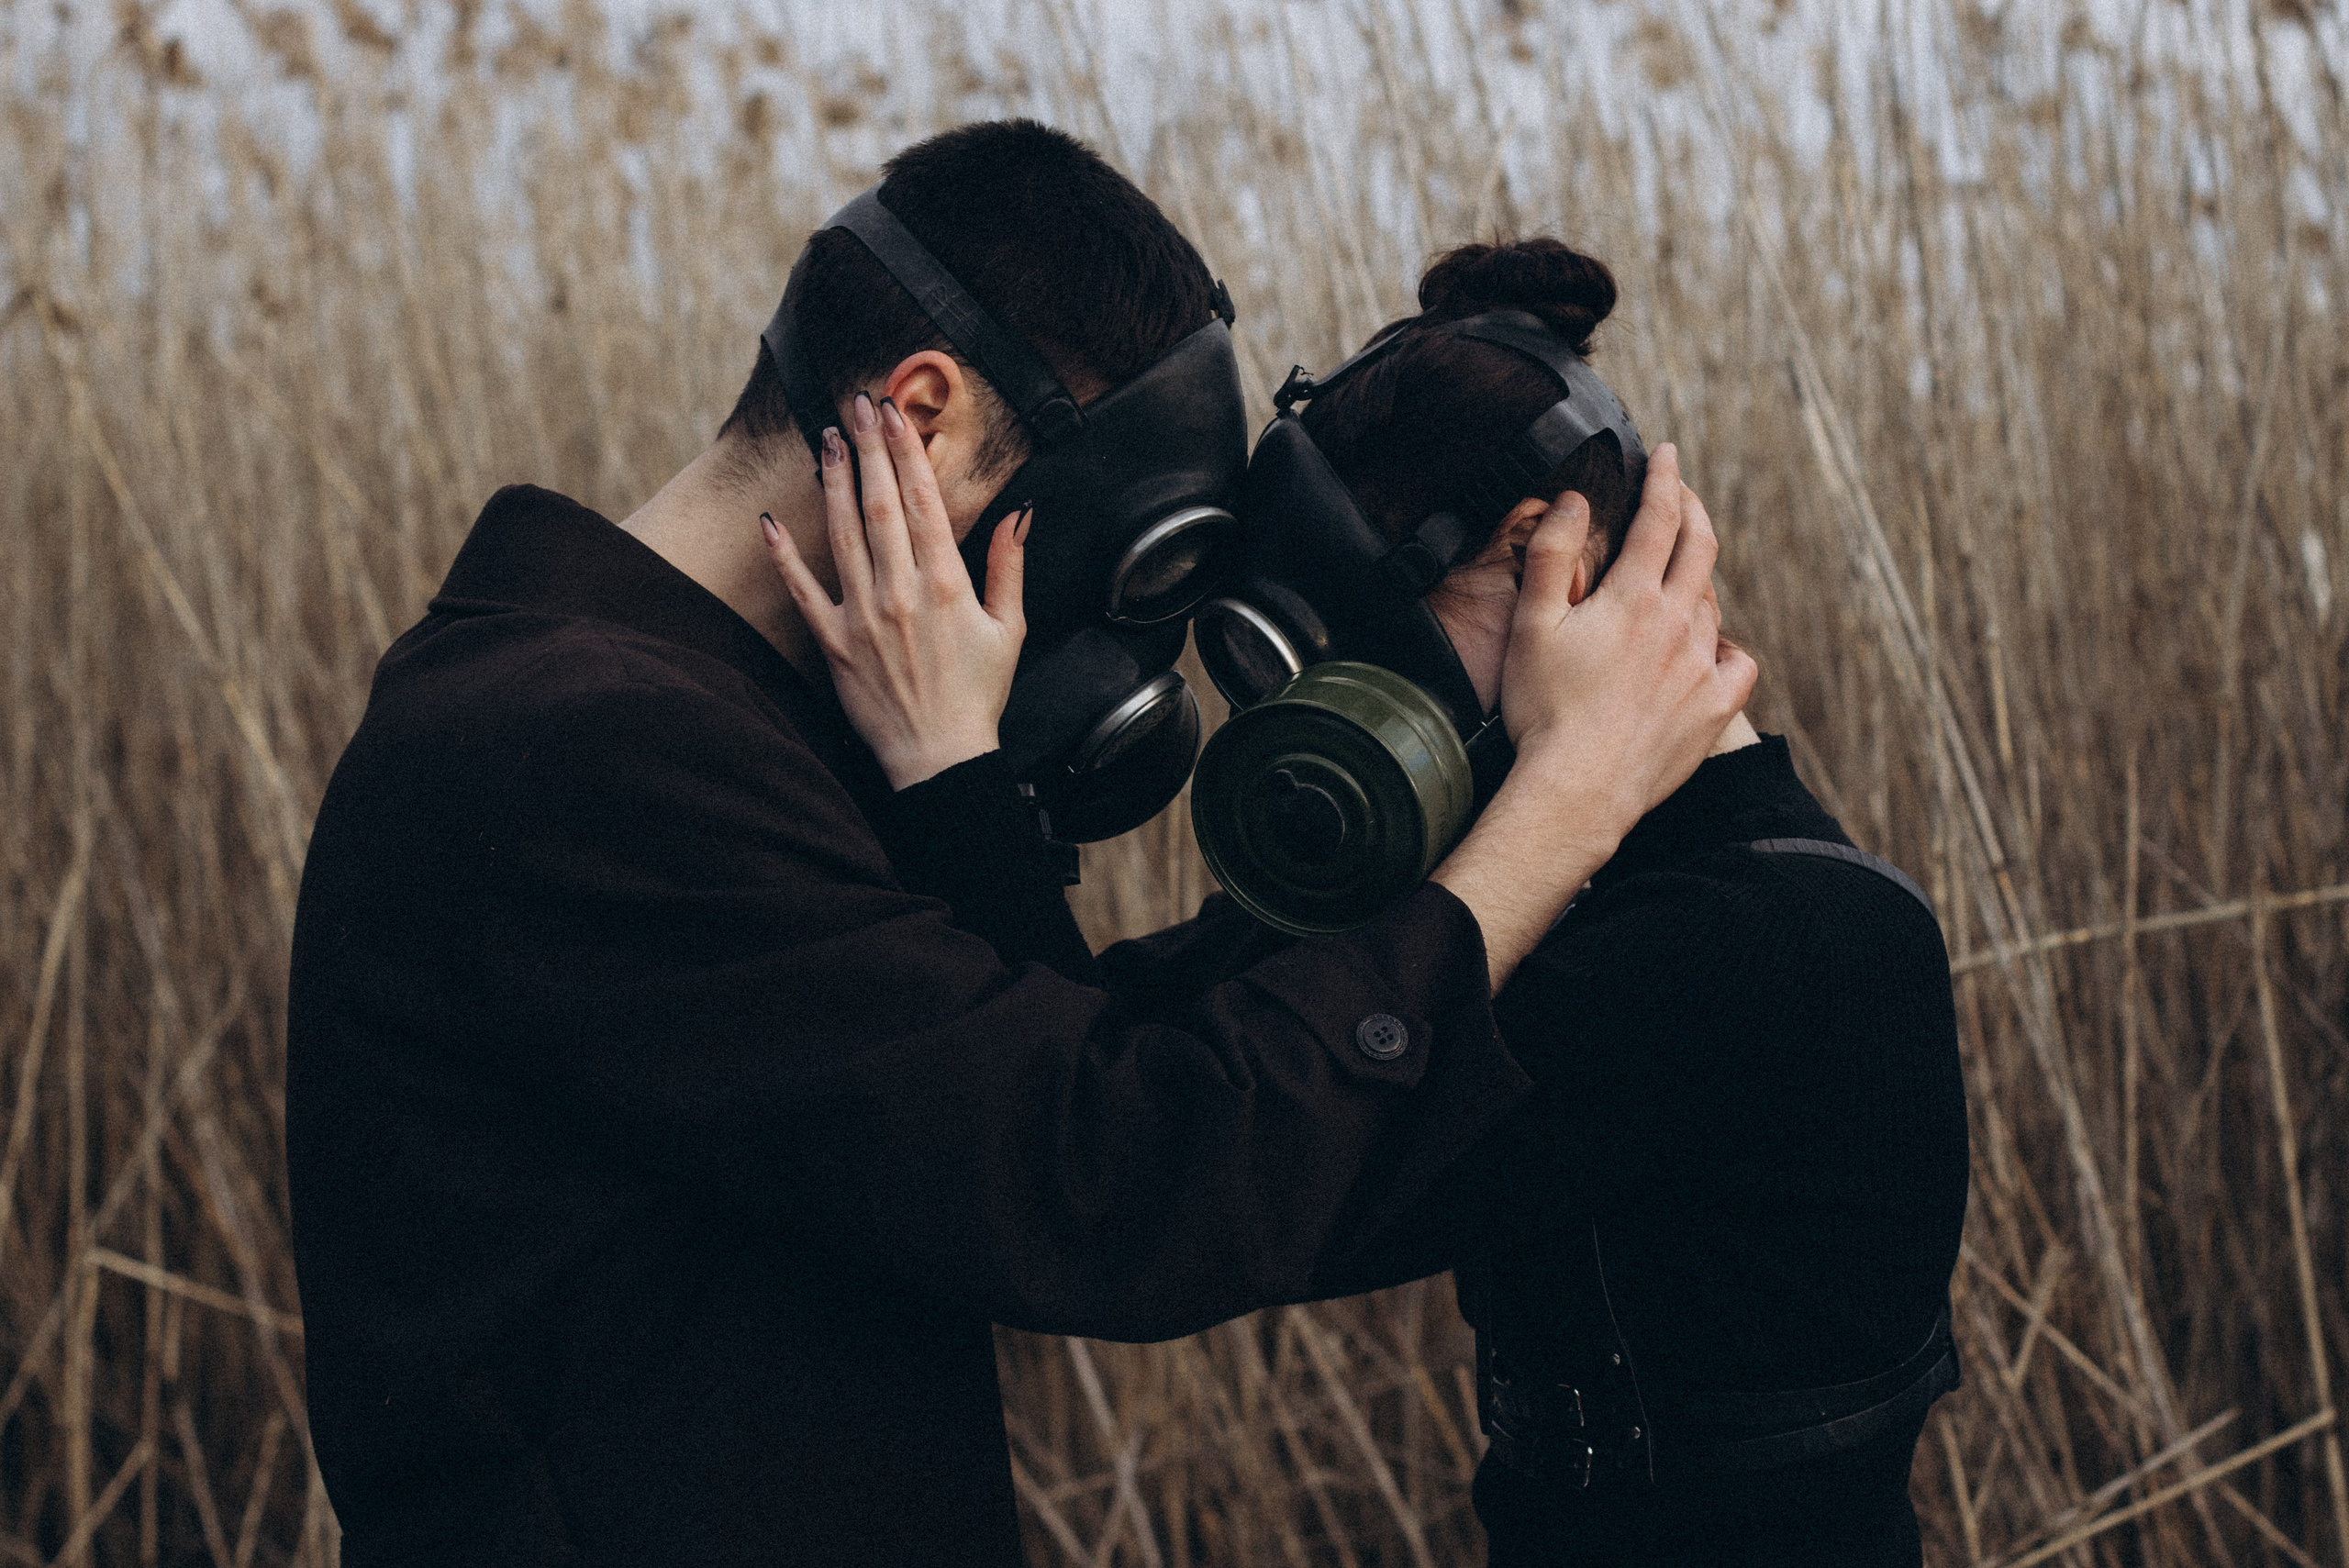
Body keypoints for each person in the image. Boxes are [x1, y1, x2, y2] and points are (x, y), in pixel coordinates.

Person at [285, 122, 1753, 1567]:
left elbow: (1042, 1048)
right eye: (1127, 546)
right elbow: (1106, 1172)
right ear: (917, 414)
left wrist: (965, 783)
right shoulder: (589, 752)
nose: (1101, 637)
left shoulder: (704, 722)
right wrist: (1565, 807)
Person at [785, 236, 1967, 1566]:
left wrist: (953, 775)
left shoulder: (1768, 944)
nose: (1337, 714)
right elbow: (1097, 1049)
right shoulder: (1529, 866)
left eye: (1362, 649)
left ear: (1544, 556)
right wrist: (959, 756)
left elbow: (1156, 1199)